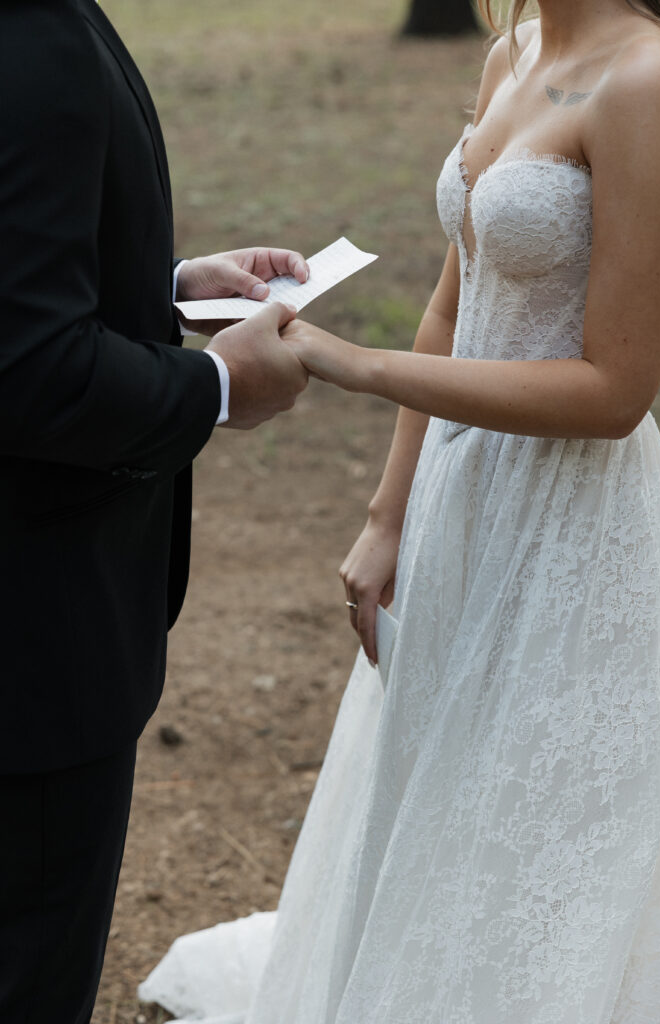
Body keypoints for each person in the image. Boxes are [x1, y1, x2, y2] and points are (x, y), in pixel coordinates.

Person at [140, 1, 660, 1022]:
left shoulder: (652, 81)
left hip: (574, 525)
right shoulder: (512, 49)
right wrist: (389, 511)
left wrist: (348, 362)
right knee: (438, 795)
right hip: (457, 502)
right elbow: (452, 301)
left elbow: (614, 390)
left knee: (538, 823)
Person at [0, 1, 311, 1022]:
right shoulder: (31, 31)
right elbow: (36, 371)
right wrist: (216, 388)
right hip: (34, 653)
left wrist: (160, 290)